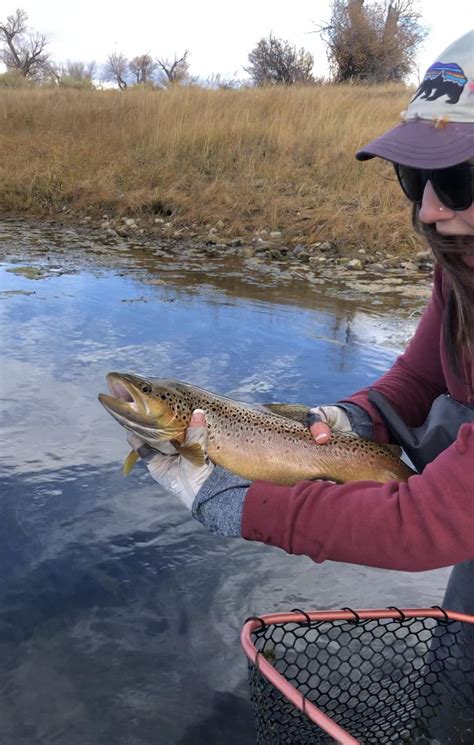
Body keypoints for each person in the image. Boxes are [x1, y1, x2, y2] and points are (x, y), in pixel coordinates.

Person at [128, 31, 474, 742]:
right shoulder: (463, 267)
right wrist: (347, 421)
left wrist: (246, 503)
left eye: (461, 180)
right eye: (415, 180)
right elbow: (421, 377)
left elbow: (424, 523)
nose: (432, 210)